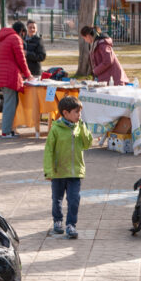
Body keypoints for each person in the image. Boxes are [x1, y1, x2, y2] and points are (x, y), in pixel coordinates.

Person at [44, 96, 93, 239]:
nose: (79, 115)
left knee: (74, 199)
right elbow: (49, 151)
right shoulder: (55, 129)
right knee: (57, 199)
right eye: (76, 112)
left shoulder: (79, 127)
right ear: (65, 113)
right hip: (58, 173)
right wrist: (48, 171)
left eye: (80, 112)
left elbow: (87, 144)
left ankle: (71, 224)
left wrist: (83, 128)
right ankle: (57, 220)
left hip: (75, 172)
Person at [0, 21, 34, 138]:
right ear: (21, 31)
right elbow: (21, 59)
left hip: (1, 75)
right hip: (10, 76)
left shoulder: (1, 39)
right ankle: (6, 132)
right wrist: (28, 74)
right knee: (10, 104)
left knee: (9, 102)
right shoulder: (15, 38)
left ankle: (9, 130)